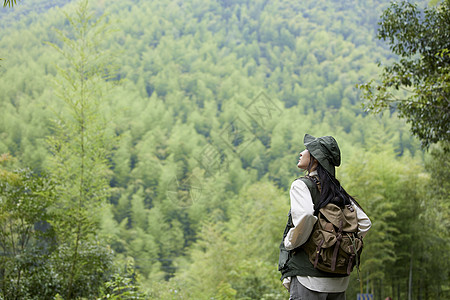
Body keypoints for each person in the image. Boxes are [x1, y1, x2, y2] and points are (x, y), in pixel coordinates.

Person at [278, 134, 371, 300]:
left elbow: (306, 216)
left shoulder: (301, 185)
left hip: (308, 277)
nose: (301, 153)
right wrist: (341, 245)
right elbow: (364, 223)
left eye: (306, 150)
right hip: (338, 280)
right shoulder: (338, 191)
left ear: (315, 158)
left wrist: (290, 242)